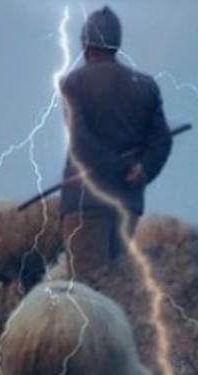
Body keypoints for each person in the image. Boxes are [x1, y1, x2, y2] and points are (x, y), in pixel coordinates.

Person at [59, 6, 172, 279]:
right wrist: (141, 169)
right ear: (115, 45)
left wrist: (115, 168)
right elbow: (162, 140)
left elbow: (81, 142)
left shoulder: (74, 82)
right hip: (127, 205)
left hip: (86, 201)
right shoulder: (146, 86)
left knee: (88, 294)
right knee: (117, 291)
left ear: (86, 46)